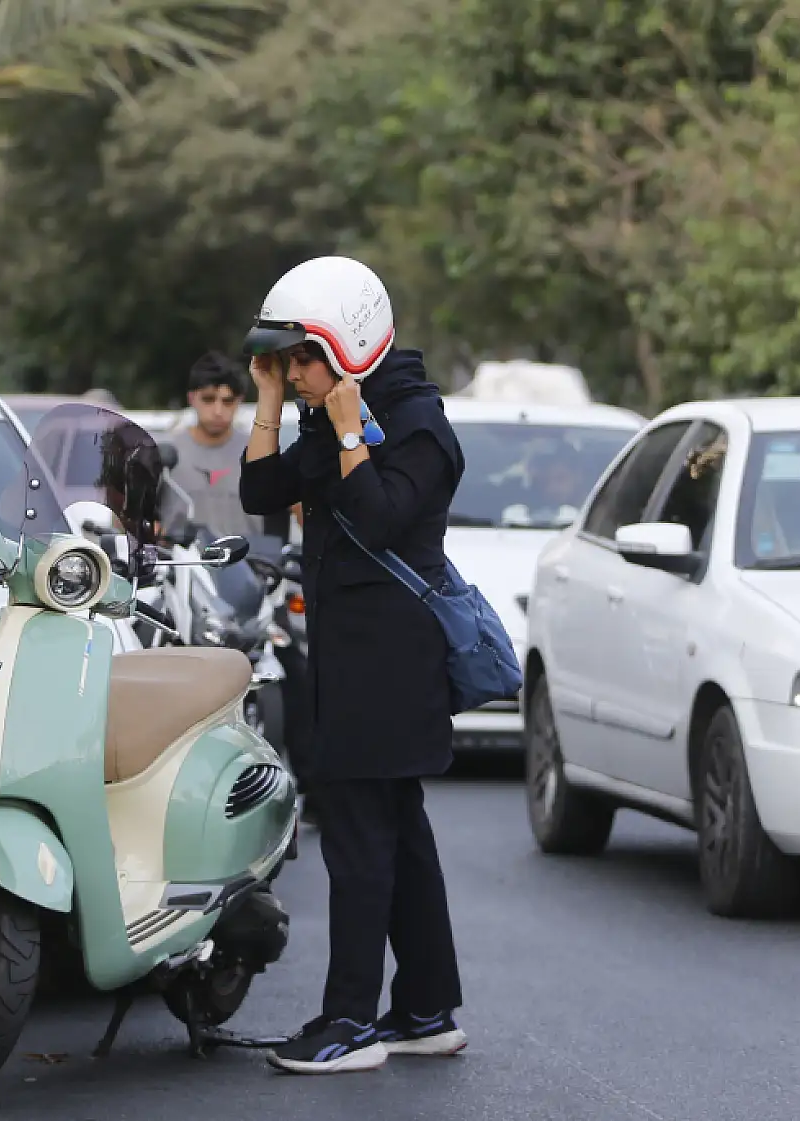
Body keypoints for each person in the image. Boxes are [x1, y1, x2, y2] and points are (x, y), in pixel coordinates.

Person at [238, 255, 466, 1075]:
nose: (291, 372)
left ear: (348, 345)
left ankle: (349, 1022)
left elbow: (378, 513)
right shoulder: (325, 410)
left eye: (299, 358)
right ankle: (426, 1010)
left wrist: (342, 426)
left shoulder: (417, 427)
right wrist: (270, 401)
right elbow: (263, 491)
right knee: (399, 835)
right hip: (346, 659)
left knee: (361, 840)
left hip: (390, 666)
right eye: (283, 360)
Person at [159, 352, 264, 541]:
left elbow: (299, 508)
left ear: (239, 401)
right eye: (208, 399)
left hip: (247, 565)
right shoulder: (165, 453)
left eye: (227, 401)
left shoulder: (259, 452)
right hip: (183, 565)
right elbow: (130, 516)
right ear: (192, 398)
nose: (218, 411)